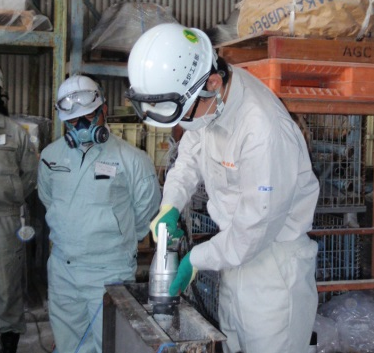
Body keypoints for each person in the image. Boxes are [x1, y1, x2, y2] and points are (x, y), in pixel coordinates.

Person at [126, 23, 320, 353]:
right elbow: (188, 156)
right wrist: (170, 204)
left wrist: (196, 259)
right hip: (235, 264)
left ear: (212, 83)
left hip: (273, 277)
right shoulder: (209, 103)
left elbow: (254, 230)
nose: (182, 125)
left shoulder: (262, 130)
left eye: (183, 115)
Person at [37, 75, 161, 353]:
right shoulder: (50, 157)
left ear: (104, 110)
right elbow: (49, 200)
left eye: (88, 116)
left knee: (111, 343)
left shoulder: (132, 160)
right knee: (69, 344)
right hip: (62, 271)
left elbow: (147, 211)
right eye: (73, 120)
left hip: (109, 271)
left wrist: (114, 238)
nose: (81, 126)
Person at [0, 68, 38, 353]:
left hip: (6, 219)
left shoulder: (14, 133)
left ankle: (8, 341)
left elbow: (30, 173)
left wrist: (11, 197)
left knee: (7, 286)